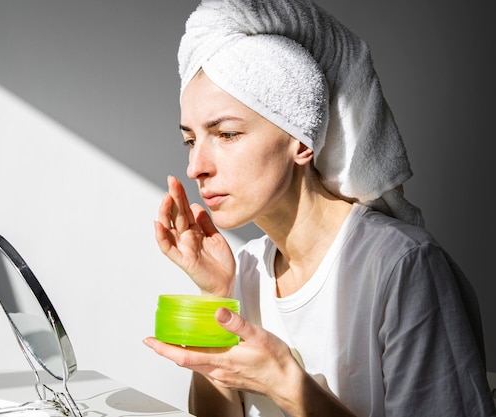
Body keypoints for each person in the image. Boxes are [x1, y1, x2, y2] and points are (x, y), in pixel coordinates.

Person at [142, 0, 496, 416]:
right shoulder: (248, 268)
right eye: (191, 140)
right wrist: (214, 294)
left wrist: (286, 383)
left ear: (302, 141)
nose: (195, 167)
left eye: (227, 134)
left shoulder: (403, 267)